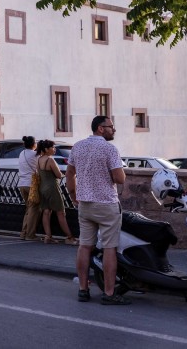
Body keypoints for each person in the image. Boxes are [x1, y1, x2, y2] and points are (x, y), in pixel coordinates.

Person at [66, 115, 128, 305]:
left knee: (84, 246)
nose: (113, 129)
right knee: (109, 248)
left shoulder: (77, 147)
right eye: (111, 126)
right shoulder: (110, 149)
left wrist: (73, 195)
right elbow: (120, 178)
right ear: (100, 128)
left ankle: (83, 289)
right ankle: (109, 293)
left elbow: (69, 174)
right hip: (106, 204)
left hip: (84, 204)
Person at [36, 140, 77, 245]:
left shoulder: (39, 159)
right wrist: (65, 175)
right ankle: (70, 237)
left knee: (46, 212)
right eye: (53, 147)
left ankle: (48, 236)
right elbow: (58, 175)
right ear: (46, 149)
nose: (54, 149)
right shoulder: (50, 160)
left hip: (42, 188)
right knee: (61, 212)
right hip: (52, 188)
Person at [18, 135, 41, 241]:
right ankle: (30, 235)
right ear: (33, 144)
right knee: (33, 209)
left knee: (28, 208)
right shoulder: (36, 154)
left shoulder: (21, 153)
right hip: (32, 185)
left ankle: (23, 233)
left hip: (22, 184)